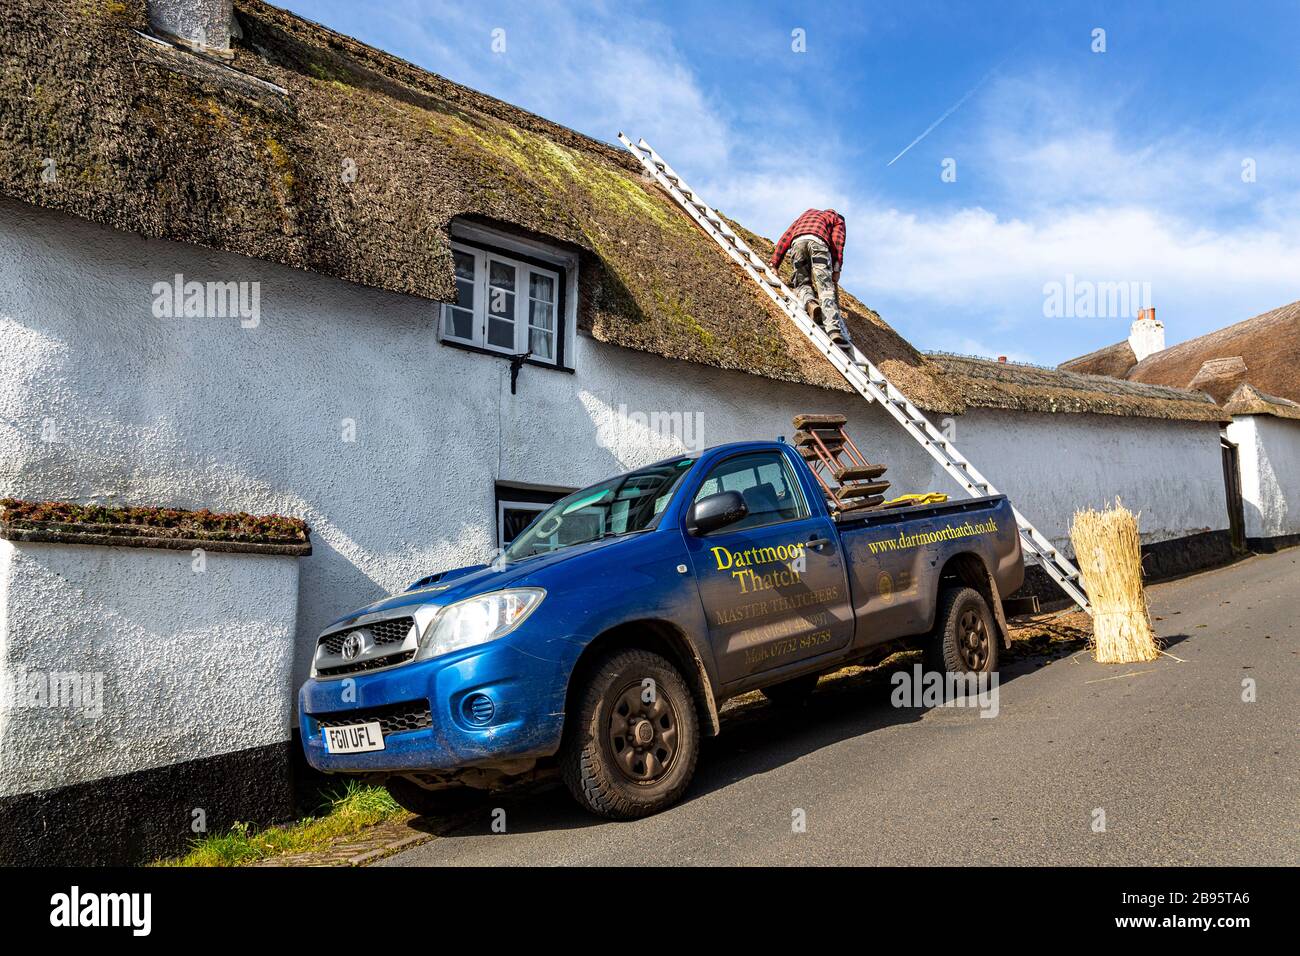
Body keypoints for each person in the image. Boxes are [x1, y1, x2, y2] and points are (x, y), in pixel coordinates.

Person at [768, 208, 851, 354]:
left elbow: (786, 237)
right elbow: (837, 244)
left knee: (802, 283)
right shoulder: (838, 220)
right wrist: (836, 269)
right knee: (825, 288)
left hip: (797, 243)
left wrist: (775, 263)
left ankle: (810, 303)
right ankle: (834, 331)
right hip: (819, 243)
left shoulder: (806, 214)